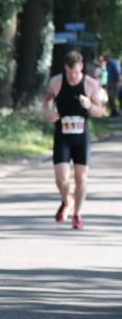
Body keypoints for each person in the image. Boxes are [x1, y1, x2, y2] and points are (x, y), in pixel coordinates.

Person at [42, 50, 109, 229]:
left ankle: (77, 214)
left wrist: (89, 105)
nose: (73, 76)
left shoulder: (90, 84)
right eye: (70, 73)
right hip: (62, 135)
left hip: (81, 137)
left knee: (81, 178)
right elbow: (47, 100)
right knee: (61, 179)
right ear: (65, 68)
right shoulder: (57, 81)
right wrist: (48, 113)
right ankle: (66, 199)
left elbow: (101, 111)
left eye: (76, 72)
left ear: (82, 68)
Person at [103, 51, 121, 117]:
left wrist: (118, 83)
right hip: (110, 82)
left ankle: (116, 112)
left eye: (105, 58)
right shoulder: (107, 64)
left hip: (115, 82)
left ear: (108, 57)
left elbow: (118, 73)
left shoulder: (113, 62)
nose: (104, 60)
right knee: (110, 97)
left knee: (113, 97)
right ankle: (113, 111)